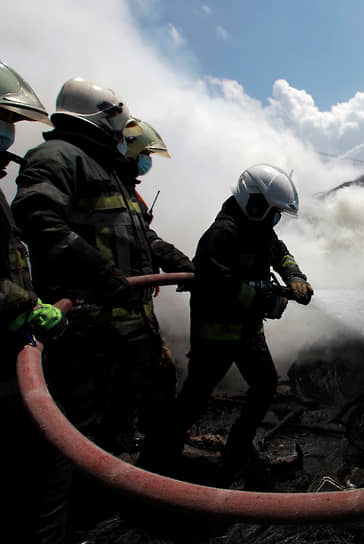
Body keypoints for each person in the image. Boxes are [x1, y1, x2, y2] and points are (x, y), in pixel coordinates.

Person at [12, 77, 190, 458]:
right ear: (104, 119)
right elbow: (36, 216)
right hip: (91, 329)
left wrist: (178, 262)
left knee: (149, 404)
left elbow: (140, 237)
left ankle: (152, 485)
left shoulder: (110, 173)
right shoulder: (59, 157)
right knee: (91, 421)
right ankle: (99, 503)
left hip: (133, 324)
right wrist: (101, 272)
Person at [141, 163, 313, 480]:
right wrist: (265, 300)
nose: (275, 220)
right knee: (195, 398)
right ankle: (157, 463)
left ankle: (235, 453)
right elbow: (217, 284)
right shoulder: (223, 233)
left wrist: (294, 275)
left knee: (265, 385)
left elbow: (280, 252)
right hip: (216, 335)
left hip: (248, 331)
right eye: (273, 212)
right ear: (255, 202)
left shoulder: (260, 228)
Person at [0, 59, 71, 544]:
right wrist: (22, 304)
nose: (10, 134)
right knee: (38, 469)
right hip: (10, 352)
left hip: (15, 348)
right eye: (5, 121)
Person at [114, 117, 195, 451]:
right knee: (109, 390)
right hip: (99, 318)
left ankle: (153, 447)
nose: (145, 162)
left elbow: (146, 239)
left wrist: (184, 265)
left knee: (158, 376)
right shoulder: (93, 182)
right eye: (143, 153)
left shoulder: (126, 193)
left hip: (135, 313)